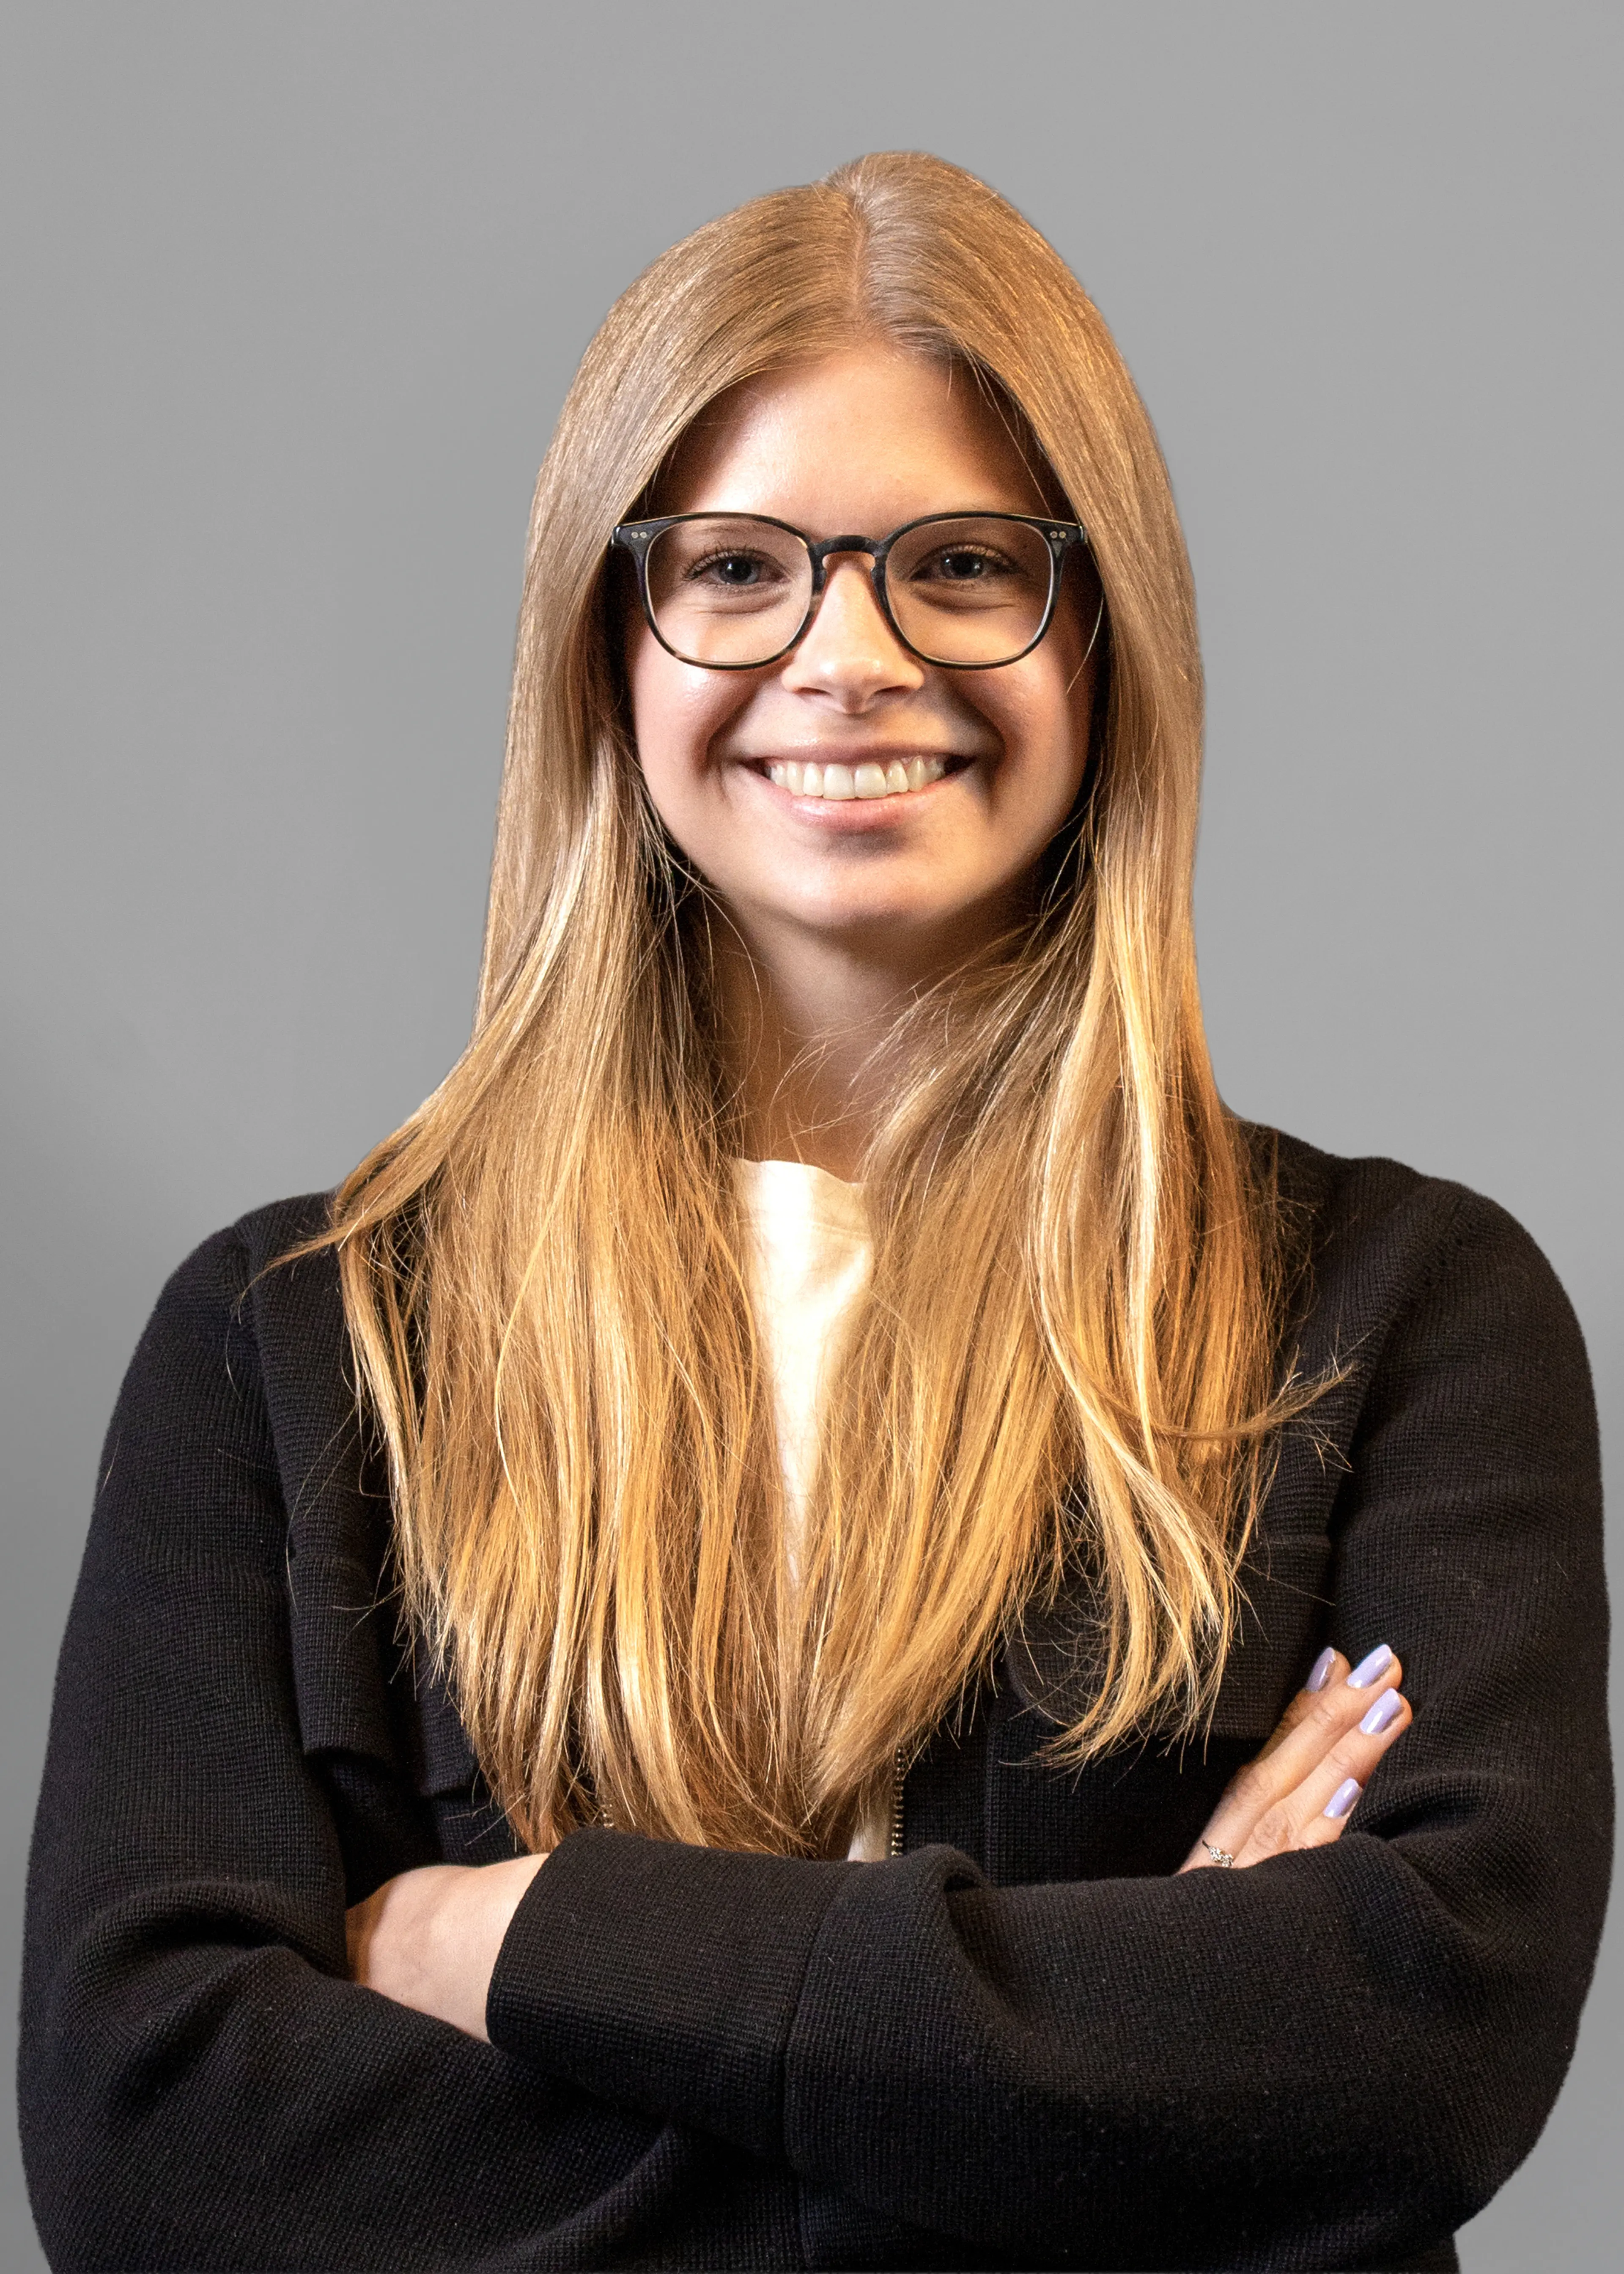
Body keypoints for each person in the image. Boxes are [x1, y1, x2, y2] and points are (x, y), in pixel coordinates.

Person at [19, 152, 1609, 2274]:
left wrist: (515, 1941)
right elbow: (156, 2145)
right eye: (740, 568)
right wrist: (1106, 2095)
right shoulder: (289, 1344)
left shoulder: (1407, 1316)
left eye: (961, 565)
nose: (847, 656)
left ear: (1103, 629)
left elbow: (1414, 2067)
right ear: (611, 642)